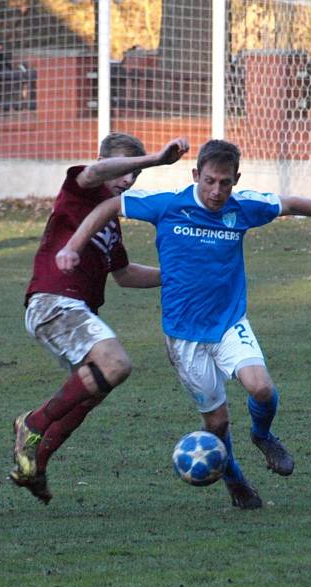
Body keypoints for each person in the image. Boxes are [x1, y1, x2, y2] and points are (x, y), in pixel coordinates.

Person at [56, 139, 311, 509]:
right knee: (217, 424)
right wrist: (73, 246)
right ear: (196, 175)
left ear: (236, 179)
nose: (216, 191)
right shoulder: (168, 204)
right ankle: (236, 482)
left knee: (260, 388)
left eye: (225, 183)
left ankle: (263, 435)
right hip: (183, 336)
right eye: (209, 181)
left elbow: (291, 203)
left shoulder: (243, 208)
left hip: (229, 321)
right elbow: (110, 205)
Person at [11, 133, 190, 504]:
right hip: (54, 301)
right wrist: (154, 160)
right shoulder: (80, 191)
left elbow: (124, 275)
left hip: (76, 312)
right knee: (115, 363)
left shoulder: (109, 223)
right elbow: (95, 172)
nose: (128, 180)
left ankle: (36, 466)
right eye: (124, 170)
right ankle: (32, 424)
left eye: (134, 176)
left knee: (91, 393)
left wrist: (179, 275)